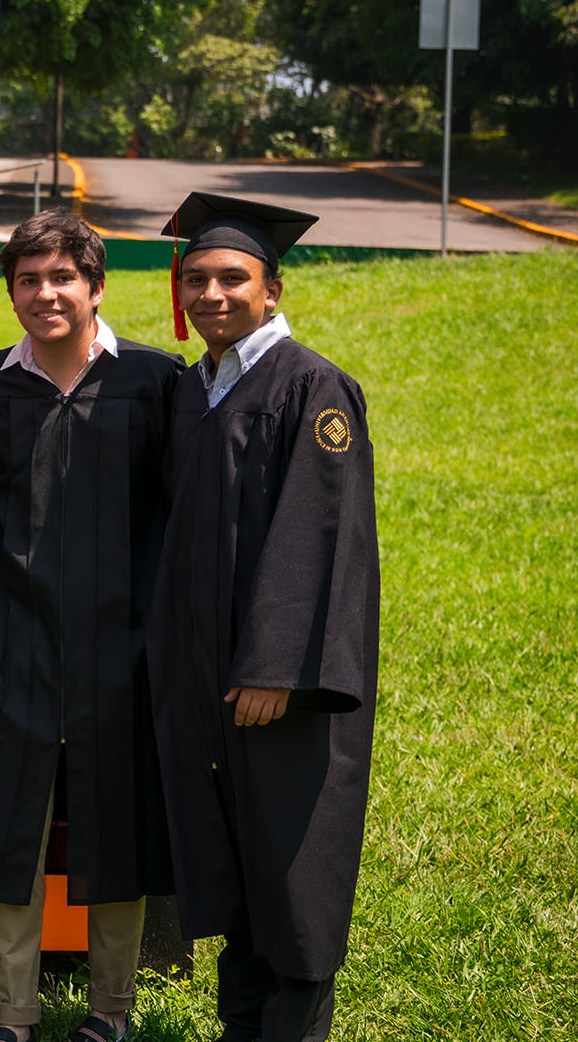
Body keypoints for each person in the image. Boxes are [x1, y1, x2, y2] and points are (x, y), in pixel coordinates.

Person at [148, 193, 379, 1042]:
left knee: (293, 868)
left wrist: (277, 667)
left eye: (232, 278)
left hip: (274, 686)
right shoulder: (195, 389)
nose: (212, 293)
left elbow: (322, 536)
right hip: (206, 675)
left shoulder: (310, 386)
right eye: (197, 278)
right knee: (239, 866)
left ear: (272, 289)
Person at [0, 211, 182, 1042]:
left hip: (122, 645)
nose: (44, 294)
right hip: (16, 638)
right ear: (10, 290)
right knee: (11, 825)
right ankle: (12, 1018)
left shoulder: (156, 383)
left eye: (61, 278)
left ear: (95, 286)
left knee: (113, 824)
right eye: (28, 280)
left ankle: (109, 1014)